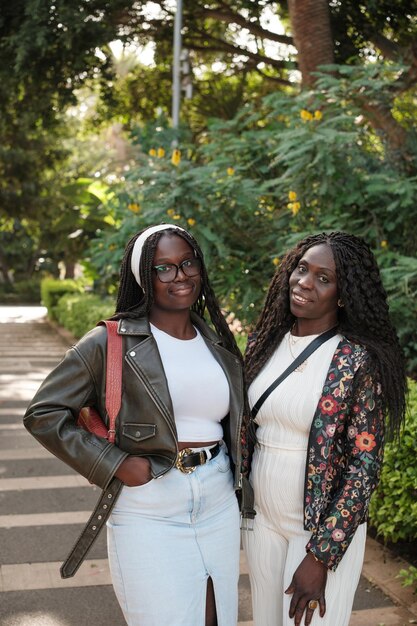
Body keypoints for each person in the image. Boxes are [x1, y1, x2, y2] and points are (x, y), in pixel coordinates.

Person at [24, 223, 247, 626]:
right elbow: (43, 412)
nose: (180, 276)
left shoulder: (216, 341)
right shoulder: (110, 341)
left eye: (188, 263)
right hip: (150, 509)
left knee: (218, 619)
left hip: (216, 501)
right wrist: (113, 462)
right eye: (163, 268)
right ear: (143, 278)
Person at [241, 231, 407, 626]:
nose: (304, 283)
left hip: (318, 530)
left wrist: (321, 557)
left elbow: (364, 467)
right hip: (261, 520)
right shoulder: (265, 344)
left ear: (343, 293)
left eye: (323, 277)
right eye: (301, 269)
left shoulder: (357, 361)